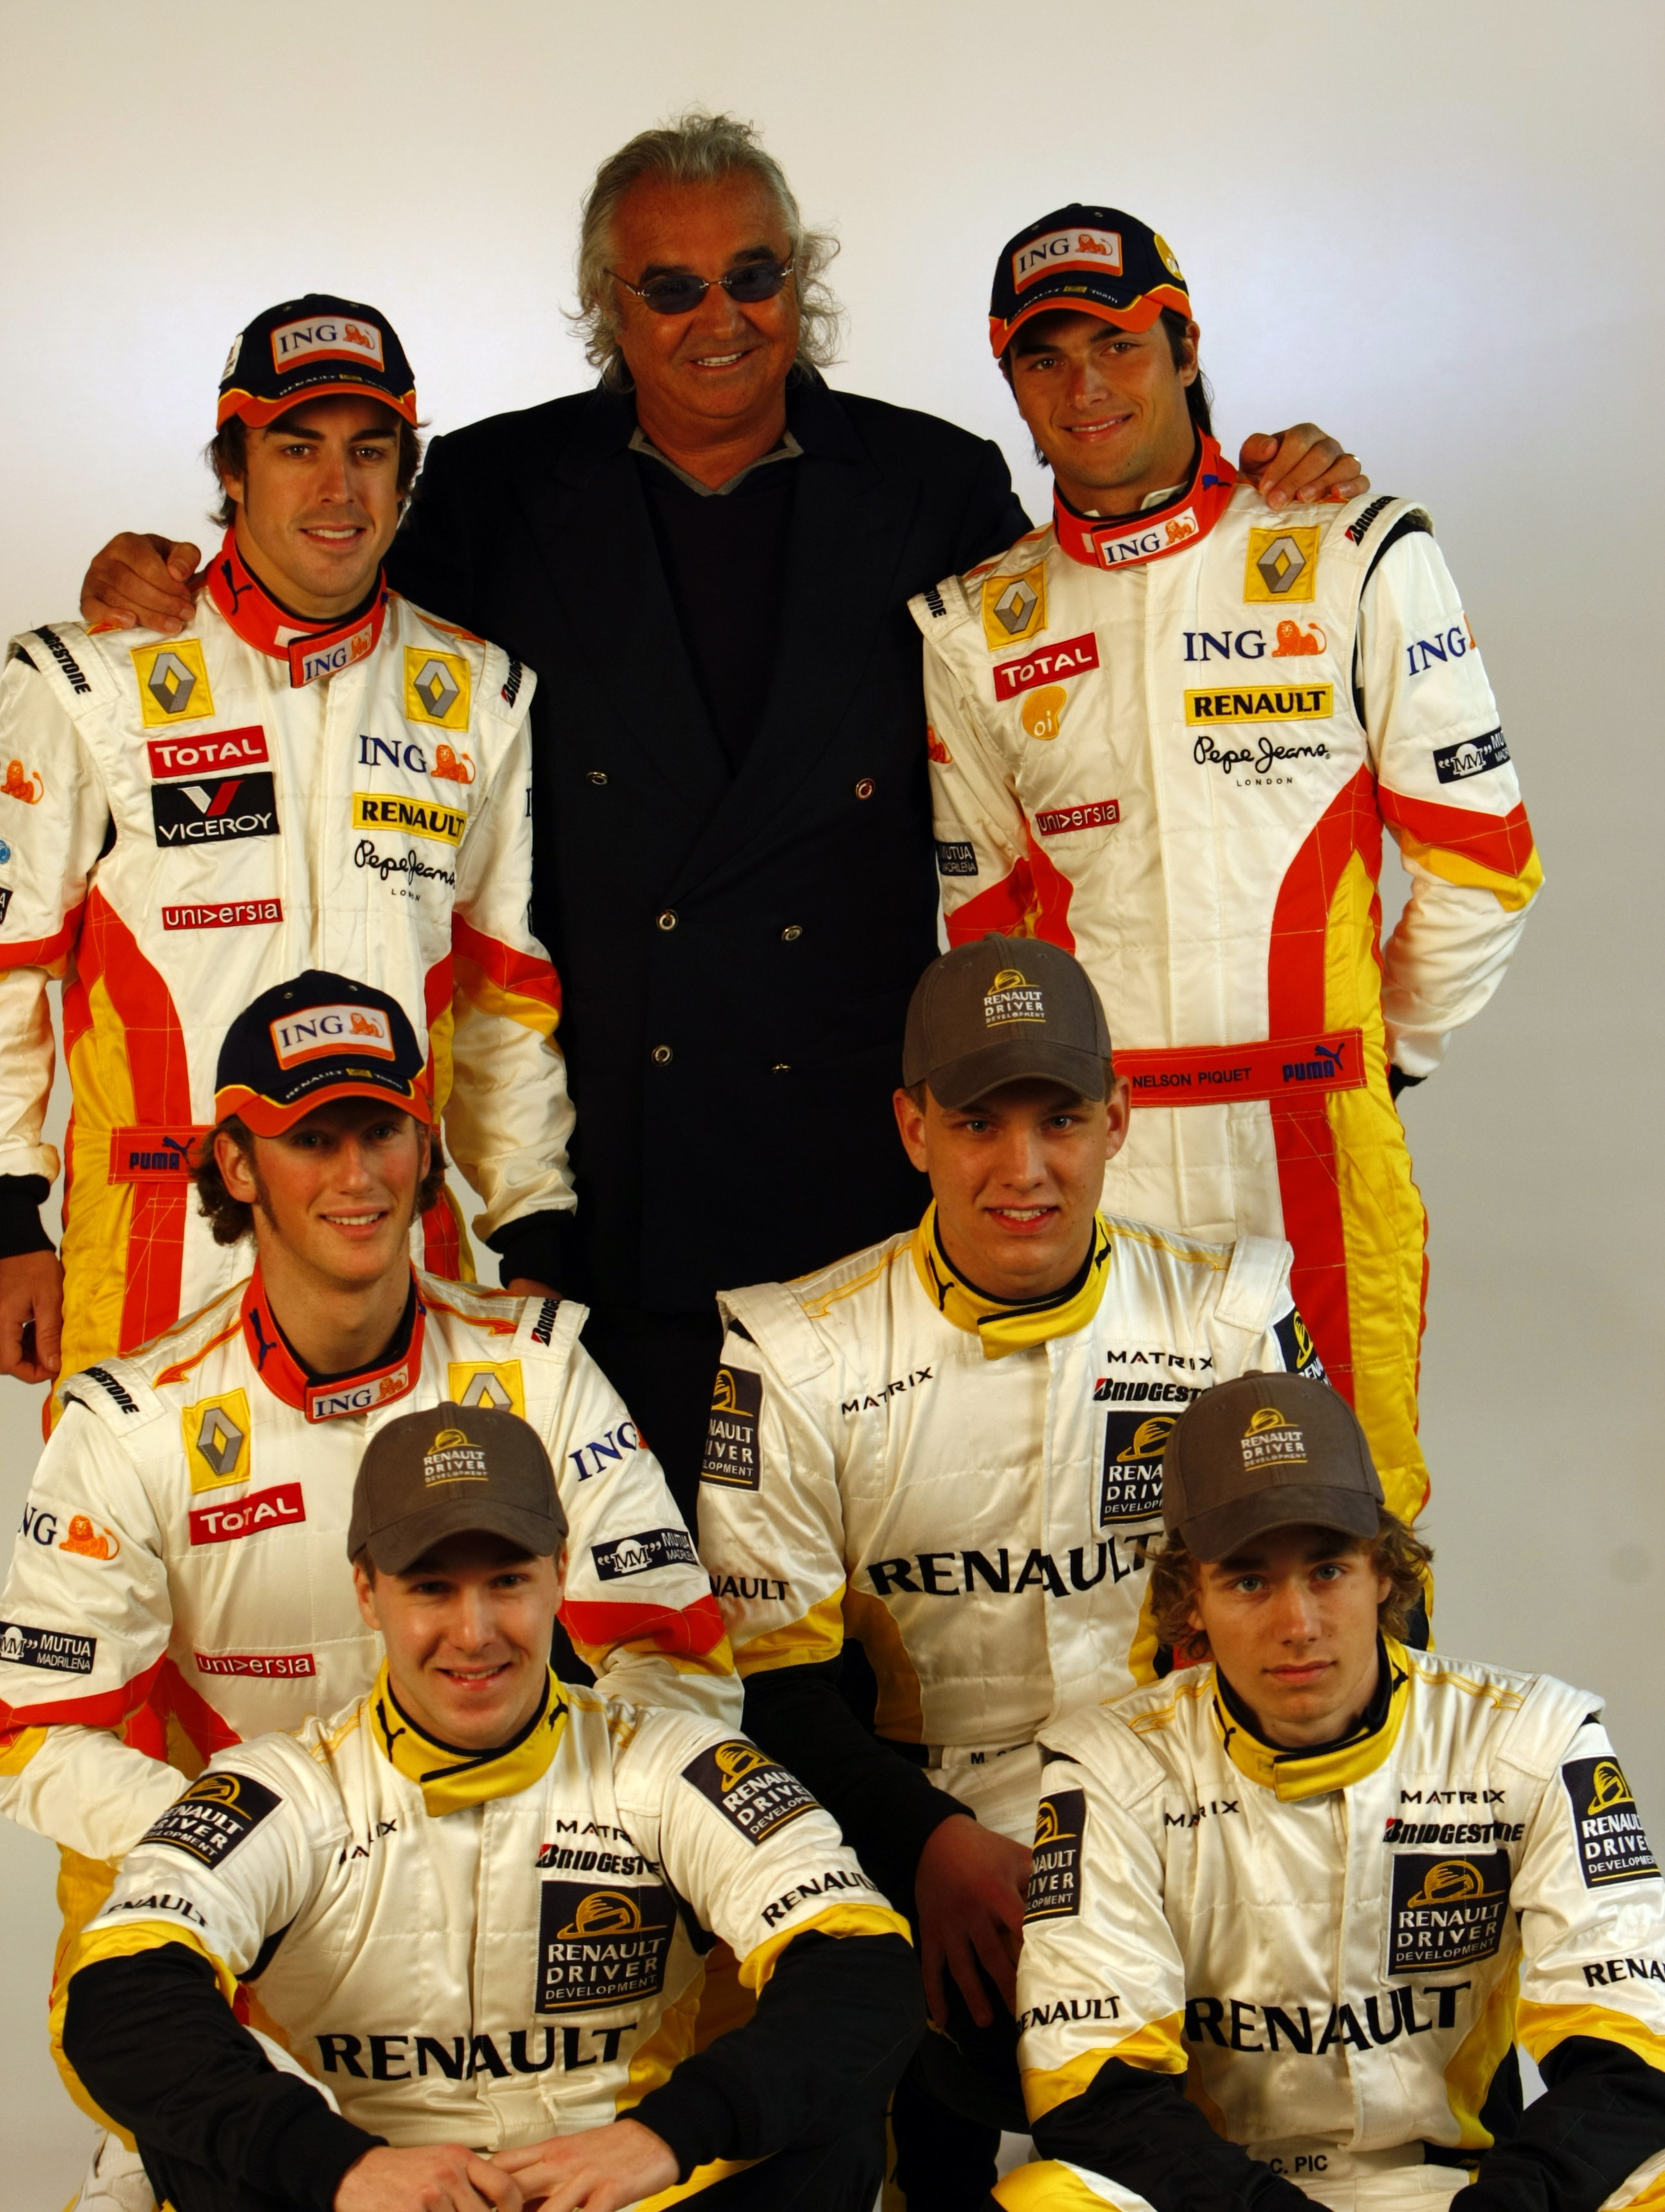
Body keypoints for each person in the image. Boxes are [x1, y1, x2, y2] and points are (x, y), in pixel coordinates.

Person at [76, 119, 1367, 1521]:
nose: (720, 318)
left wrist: (1253, 497)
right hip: (618, 1189)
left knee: (900, 1595)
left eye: (753, 277)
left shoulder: (929, 483)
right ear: (609, 306)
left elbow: (1098, 631)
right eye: (672, 287)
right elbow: (331, 614)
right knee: (632, 1593)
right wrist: (164, 584)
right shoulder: (496, 492)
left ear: (799, 285)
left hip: (874, 1179)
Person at [0, 976, 735, 2212]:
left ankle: (508, 2142)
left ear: (424, 1143)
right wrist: (253, 1849)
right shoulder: (130, 1420)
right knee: (109, 1953)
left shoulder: (539, 1363)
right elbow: (41, 1734)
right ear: (237, 1164)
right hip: (269, 1884)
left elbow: (673, 1657)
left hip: (514, 1841)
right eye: (312, 1139)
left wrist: (568, 1822)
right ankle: (232, 2149)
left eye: (382, 1131)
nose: (358, 1177)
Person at [58, 1399, 920, 2212]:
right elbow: (120, 2007)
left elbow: (866, 1976)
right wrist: (341, 2165)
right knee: (191, 2110)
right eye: (431, 1588)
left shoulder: (674, 1763)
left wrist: (668, 2135)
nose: (474, 1633)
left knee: (840, 2110)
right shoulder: (280, 1788)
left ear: (561, 1574)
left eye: (507, 1580)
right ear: (366, 1590)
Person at [698, 933, 1327, 2212]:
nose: (1024, 1169)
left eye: (1061, 1120)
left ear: (1120, 1119)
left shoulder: (1231, 1321)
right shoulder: (794, 1353)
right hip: (921, 1810)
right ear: (912, 1128)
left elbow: (1345, 1616)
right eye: (980, 1123)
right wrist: (924, 1845)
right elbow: (762, 1690)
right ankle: (932, 2118)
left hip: (1181, 1792)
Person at [913, 205, 1545, 1528]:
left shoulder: (1351, 547)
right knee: (1111, 1556)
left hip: (1311, 1146)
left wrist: (1384, 1057)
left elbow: (1482, 859)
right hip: (1098, 1165)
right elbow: (984, 935)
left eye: (1120, 345)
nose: (1086, 387)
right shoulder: (975, 624)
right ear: (1013, 385)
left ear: (1186, 348)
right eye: (1045, 359)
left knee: (1342, 1532)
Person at [977, 1372, 1665, 2212]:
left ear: (1388, 1571)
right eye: (1248, 1579)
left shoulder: (1539, 1739)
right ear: (1188, 1600)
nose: (1296, 1624)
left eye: (1329, 1569)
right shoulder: (1106, 1766)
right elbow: (1098, 2096)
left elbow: (1633, 2065)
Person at [0, 292, 570, 1398]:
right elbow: (11, 966)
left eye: (370, 451)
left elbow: (503, 996)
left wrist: (534, 1225)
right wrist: (7, 1218)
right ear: (232, 468)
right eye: (296, 447)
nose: (336, 489)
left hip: (389, 1232)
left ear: (406, 475)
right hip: (158, 1244)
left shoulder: (480, 695)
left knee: (408, 1513)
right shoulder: (87, 682)